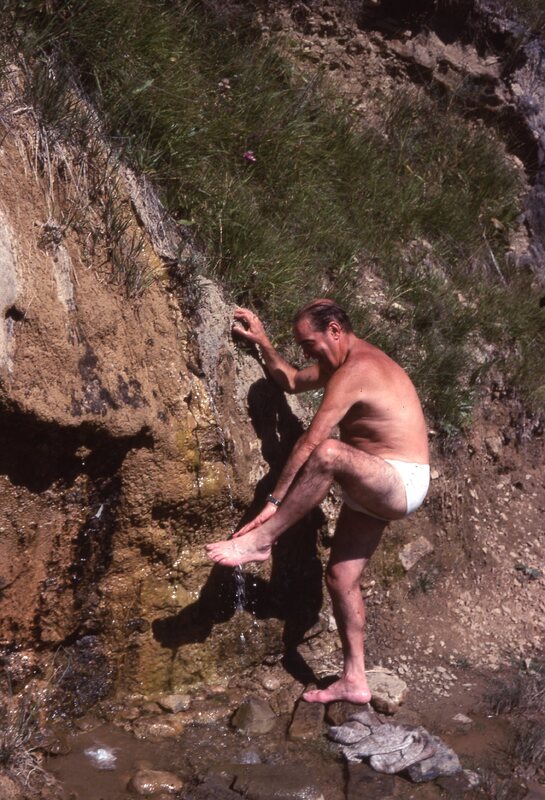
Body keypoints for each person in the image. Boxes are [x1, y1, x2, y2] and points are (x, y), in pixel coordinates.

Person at [206, 299, 430, 704]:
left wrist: (274, 502)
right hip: (372, 481)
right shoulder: (338, 364)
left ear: (335, 330)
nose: (307, 354)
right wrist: (262, 342)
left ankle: (261, 542)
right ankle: (354, 679)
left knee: (329, 453)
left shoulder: (358, 369)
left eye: (309, 344)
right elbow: (292, 380)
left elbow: (312, 442)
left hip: (400, 480)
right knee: (341, 579)